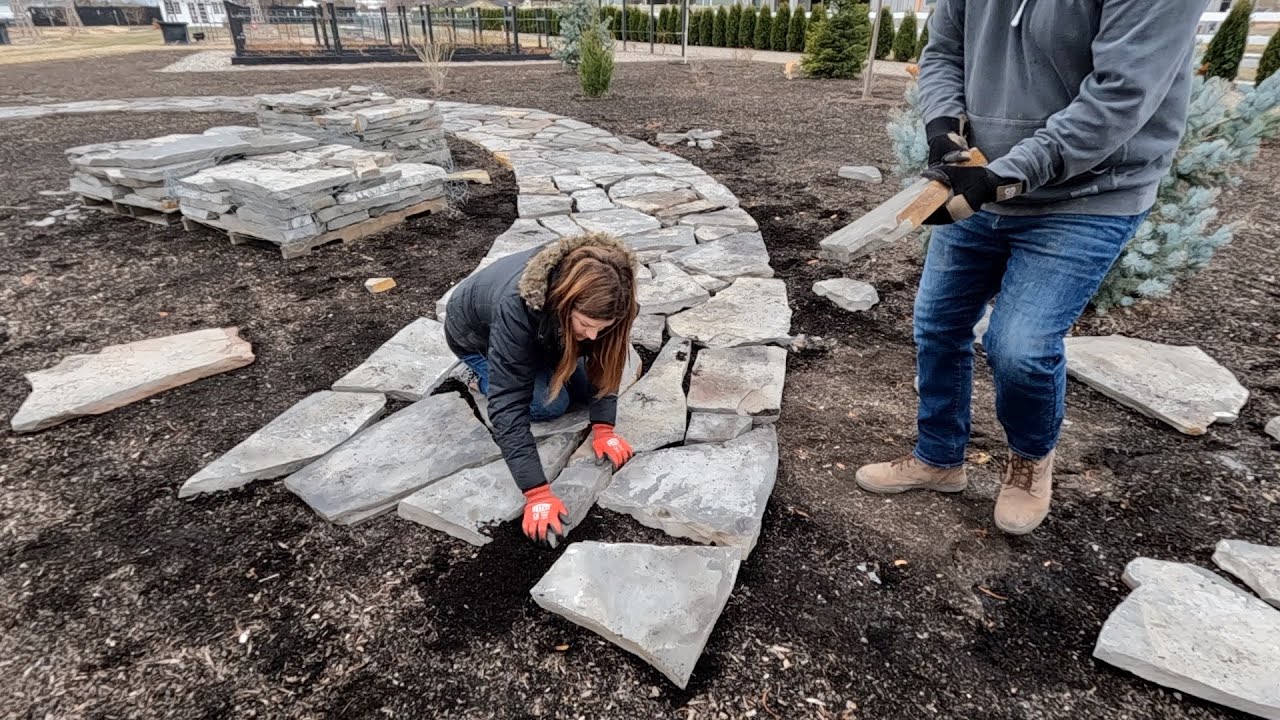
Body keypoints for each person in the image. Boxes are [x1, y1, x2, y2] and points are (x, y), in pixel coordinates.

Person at [854, 0, 1206, 534]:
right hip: (984, 184)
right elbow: (946, 49)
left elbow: (1120, 95)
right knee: (939, 326)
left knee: (1021, 346)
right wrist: (944, 125)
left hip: (1090, 195)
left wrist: (1005, 176)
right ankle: (939, 457)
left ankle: (1029, 463)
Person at [444, 232, 639, 548]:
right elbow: (509, 404)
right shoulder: (517, 307)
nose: (592, 336)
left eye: (600, 328)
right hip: (475, 336)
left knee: (584, 386)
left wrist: (604, 427)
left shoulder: (614, 298)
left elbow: (607, 359)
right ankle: (479, 376)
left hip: (544, 332)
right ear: (564, 302)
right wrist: (537, 492)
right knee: (549, 405)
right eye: (585, 325)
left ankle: (541, 355)